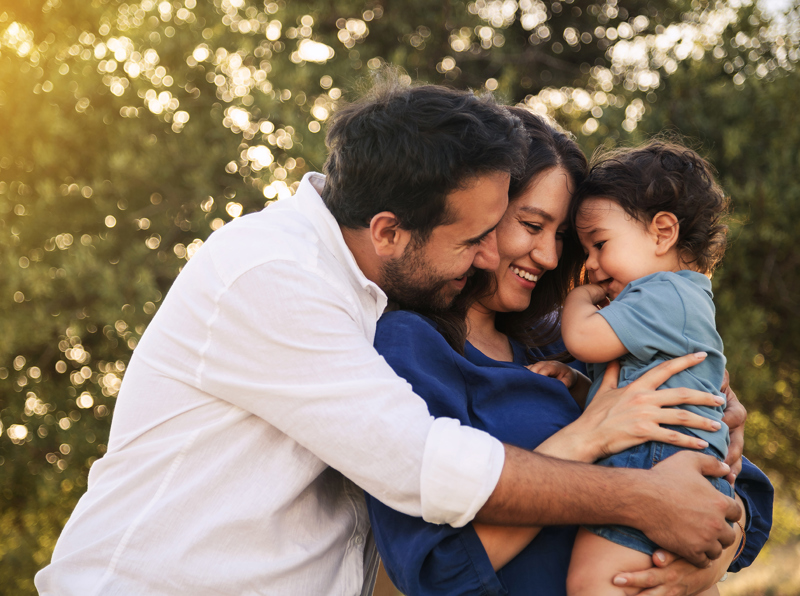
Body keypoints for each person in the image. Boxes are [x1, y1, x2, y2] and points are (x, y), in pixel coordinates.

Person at [35, 79, 747, 596]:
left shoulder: (526, 332)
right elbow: (424, 469)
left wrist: (711, 538)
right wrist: (638, 497)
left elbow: (730, 485)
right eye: (486, 234)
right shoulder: (276, 278)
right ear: (388, 230)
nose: (493, 256)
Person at [366, 110, 772, 595]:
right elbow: (437, 572)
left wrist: (699, 563)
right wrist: (590, 437)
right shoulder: (406, 346)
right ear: (480, 212)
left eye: (562, 236)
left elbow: (743, 496)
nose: (552, 257)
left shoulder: (572, 338)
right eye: (532, 224)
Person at [560, 142, 741, 595]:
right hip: (679, 463)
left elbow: (582, 337)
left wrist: (578, 300)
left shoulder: (661, 293)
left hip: (657, 463)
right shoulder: (678, 298)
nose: (592, 266)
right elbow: (629, 389)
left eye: (599, 244)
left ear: (662, 233)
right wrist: (580, 384)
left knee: (595, 582)